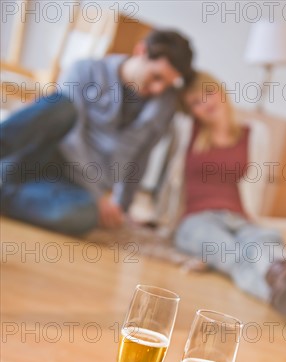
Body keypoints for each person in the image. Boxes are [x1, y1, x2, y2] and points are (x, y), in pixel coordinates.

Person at [158, 72, 286, 329]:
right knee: (233, 254)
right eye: (195, 103)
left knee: (262, 241)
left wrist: (254, 223)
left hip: (239, 217)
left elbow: (254, 190)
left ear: (221, 91)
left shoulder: (255, 134)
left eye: (207, 93)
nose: (205, 103)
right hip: (196, 220)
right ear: (191, 112)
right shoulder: (186, 130)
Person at [0, 30, 194, 234]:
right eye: (156, 77)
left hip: (70, 186)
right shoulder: (86, 69)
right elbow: (71, 139)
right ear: (141, 51)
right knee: (63, 107)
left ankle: (7, 196)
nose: (158, 89)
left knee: (85, 215)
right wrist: (97, 194)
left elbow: (140, 158)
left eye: (166, 84)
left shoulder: (163, 104)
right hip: (38, 158)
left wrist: (121, 208)